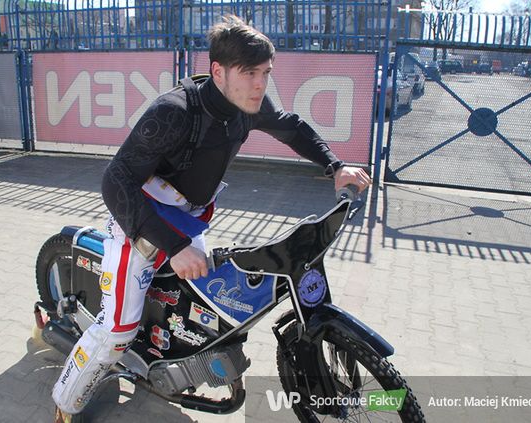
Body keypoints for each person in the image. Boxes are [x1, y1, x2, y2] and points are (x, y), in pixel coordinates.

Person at [52, 15, 371, 421]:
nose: (260, 84)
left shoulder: (247, 106)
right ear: (218, 71)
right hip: (141, 220)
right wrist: (174, 246)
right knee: (116, 332)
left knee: (208, 307)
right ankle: (64, 404)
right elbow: (115, 181)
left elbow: (290, 128)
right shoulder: (174, 112)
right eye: (249, 73)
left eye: (266, 73)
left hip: (188, 220)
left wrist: (335, 166)